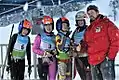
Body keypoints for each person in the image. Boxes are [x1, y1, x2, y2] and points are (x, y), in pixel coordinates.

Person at [77, 5, 119, 80]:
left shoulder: (106, 23)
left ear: (97, 12)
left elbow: (116, 39)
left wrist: (110, 56)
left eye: (92, 12)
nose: (90, 15)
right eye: (89, 14)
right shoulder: (89, 29)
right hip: (93, 61)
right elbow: (86, 43)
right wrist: (81, 47)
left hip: (105, 59)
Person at [32, 16, 57, 80]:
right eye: (46, 25)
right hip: (42, 60)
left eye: (50, 25)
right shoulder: (39, 36)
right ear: (44, 26)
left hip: (52, 60)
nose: (48, 27)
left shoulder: (55, 37)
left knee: (52, 78)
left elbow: (58, 48)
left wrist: (55, 51)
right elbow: (34, 49)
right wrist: (43, 53)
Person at [71, 11, 92, 80]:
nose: (80, 22)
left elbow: (90, 42)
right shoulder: (76, 30)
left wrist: (82, 47)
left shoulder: (88, 29)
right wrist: (73, 47)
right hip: (78, 56)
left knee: (88, 75)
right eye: (79, 21)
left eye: (82, 20)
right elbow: (72, 41)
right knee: (82, 75)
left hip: (86, 56)